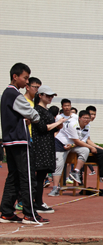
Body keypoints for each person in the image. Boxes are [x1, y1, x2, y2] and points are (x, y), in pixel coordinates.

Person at [0, 63, 44, 224]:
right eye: (25, 78)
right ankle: (29, 213)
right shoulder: (15, 95)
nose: (26, 82)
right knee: (27, 176)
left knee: (14, 177)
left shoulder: (6, 94)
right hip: (19, 140)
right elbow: (34, 115)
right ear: (15, 77)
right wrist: (29, 118)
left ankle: (6, 211)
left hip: (10, 141)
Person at [31, 85, 67, 214]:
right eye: (48, 96)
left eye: (52, 96)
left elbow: (51, 128)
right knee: (39, 176)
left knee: (42, 175)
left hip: (47, 145)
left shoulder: (45, 110)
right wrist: (57, 123)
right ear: (40, 95)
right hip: (40, 146)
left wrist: (59, 125)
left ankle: (38, 202)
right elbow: (42, 128)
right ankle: (37, 203)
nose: (50, 98)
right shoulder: (37, 110)